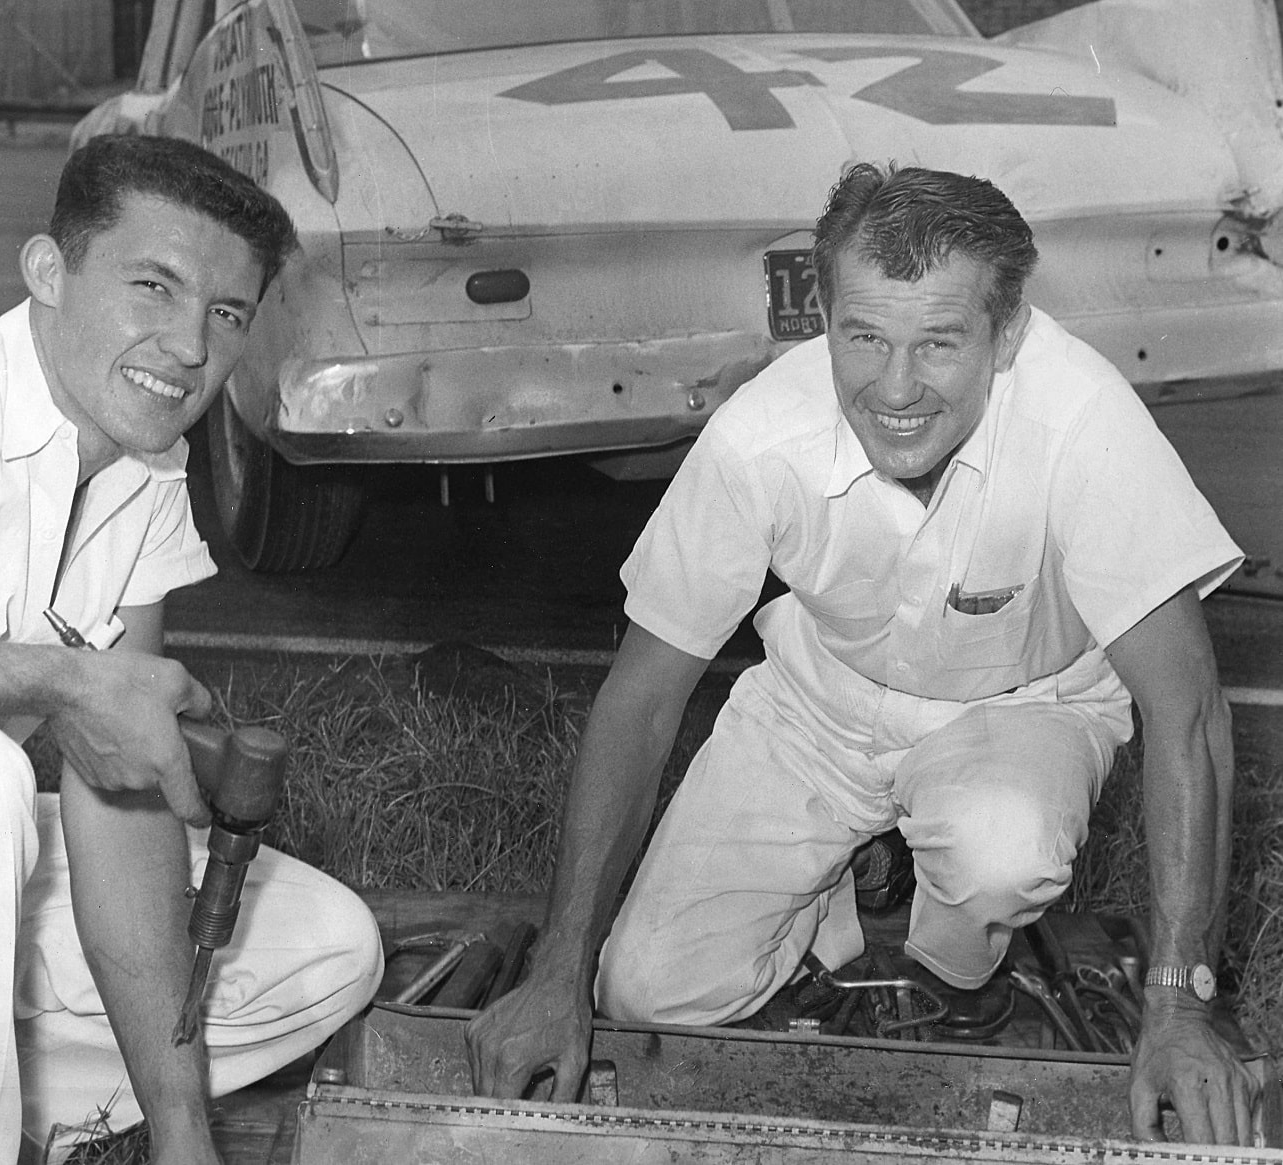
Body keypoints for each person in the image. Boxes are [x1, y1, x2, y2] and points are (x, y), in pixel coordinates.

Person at [466, 162, 1255, 1145]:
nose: (894, 388)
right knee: (647, 987)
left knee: (998, 853)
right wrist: (558, 964)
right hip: (823, 696)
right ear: (822, 319)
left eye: (939, 342)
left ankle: (962, 961)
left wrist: (1183, 1002)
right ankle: (840, 913)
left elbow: (1190, 716)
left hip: (1026, 703)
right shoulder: (761, 434)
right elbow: (643, 694)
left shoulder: (1085, 423)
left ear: (1007, 334)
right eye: (864, 336)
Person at [0, 134, 382, 1165]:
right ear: (48, 272)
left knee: (328, 950)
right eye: (154, 286)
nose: (191, 346)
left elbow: (119, 799)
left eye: (227, 313)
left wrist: (186, 1134)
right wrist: (55, 678)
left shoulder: (144, 470)